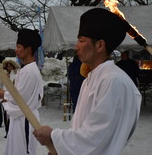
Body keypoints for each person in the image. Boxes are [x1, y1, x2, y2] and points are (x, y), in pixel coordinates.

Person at [33, 8, 142, 155]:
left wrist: (53, 136)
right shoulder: (91, 79)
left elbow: (95, 138)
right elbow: (81, 130)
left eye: (81, 40)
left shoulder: (113, 81)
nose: (76, 46)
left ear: (99, 45)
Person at [0, 29, 43, 155]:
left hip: (26, 119)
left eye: (18, 47)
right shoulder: (26, 70)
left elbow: (20, 98)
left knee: (24, 151)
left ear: (28, 49)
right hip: (20, 119)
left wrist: (4, 95)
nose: (16, 50)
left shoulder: (30, 71)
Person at [0, 58, 20, 138]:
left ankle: (13, 131)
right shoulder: (3, 74)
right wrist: (1, 76)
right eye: (7, 66)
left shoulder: (17, 75)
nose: (9, 67)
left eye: (10, 66)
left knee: (13, 115)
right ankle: (7, 131)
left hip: (13, 98)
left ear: (13, 66)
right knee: (6, 115)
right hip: (5, 97)